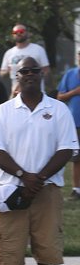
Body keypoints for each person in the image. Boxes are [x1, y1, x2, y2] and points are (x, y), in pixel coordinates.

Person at [0, 57, 77, 265]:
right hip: (12, 190)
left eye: (35, 70)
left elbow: (67, 149)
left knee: (47, 252)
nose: (30, 75)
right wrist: (24, 176)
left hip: (47, 191)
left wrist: (39, 178)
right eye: (24, 70)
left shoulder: (58, 109)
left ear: (41, 74)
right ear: (16, 75)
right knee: (6, 254)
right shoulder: (3, 111)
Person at [55, 49, 80, 199]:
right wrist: (75, 92)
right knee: (77, 158)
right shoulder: (70, 74)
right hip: (75, 121)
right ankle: (77, 189)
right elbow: (59, 96)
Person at [0, 23, 51, 88]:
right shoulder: (9, 53)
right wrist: (7, 71)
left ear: (27, 33)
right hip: (16, 92)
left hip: (36, 91)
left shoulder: (38, 49)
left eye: (21, 31)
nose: (18, 34)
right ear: (12, 35)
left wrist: (35, 75)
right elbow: (2, 73)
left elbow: (46, 70)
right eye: (15, 32)